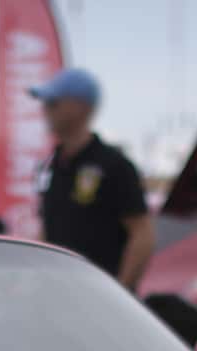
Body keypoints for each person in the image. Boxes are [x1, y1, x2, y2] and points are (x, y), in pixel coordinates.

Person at [30, 67, 155, 290]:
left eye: (53, 103)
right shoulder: (50, 166)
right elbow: (47, 229)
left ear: (80, 107)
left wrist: (122, 292)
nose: (45, 110)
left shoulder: (114, 165)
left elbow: (142, 234)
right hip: (56, 294)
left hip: (99, 297)